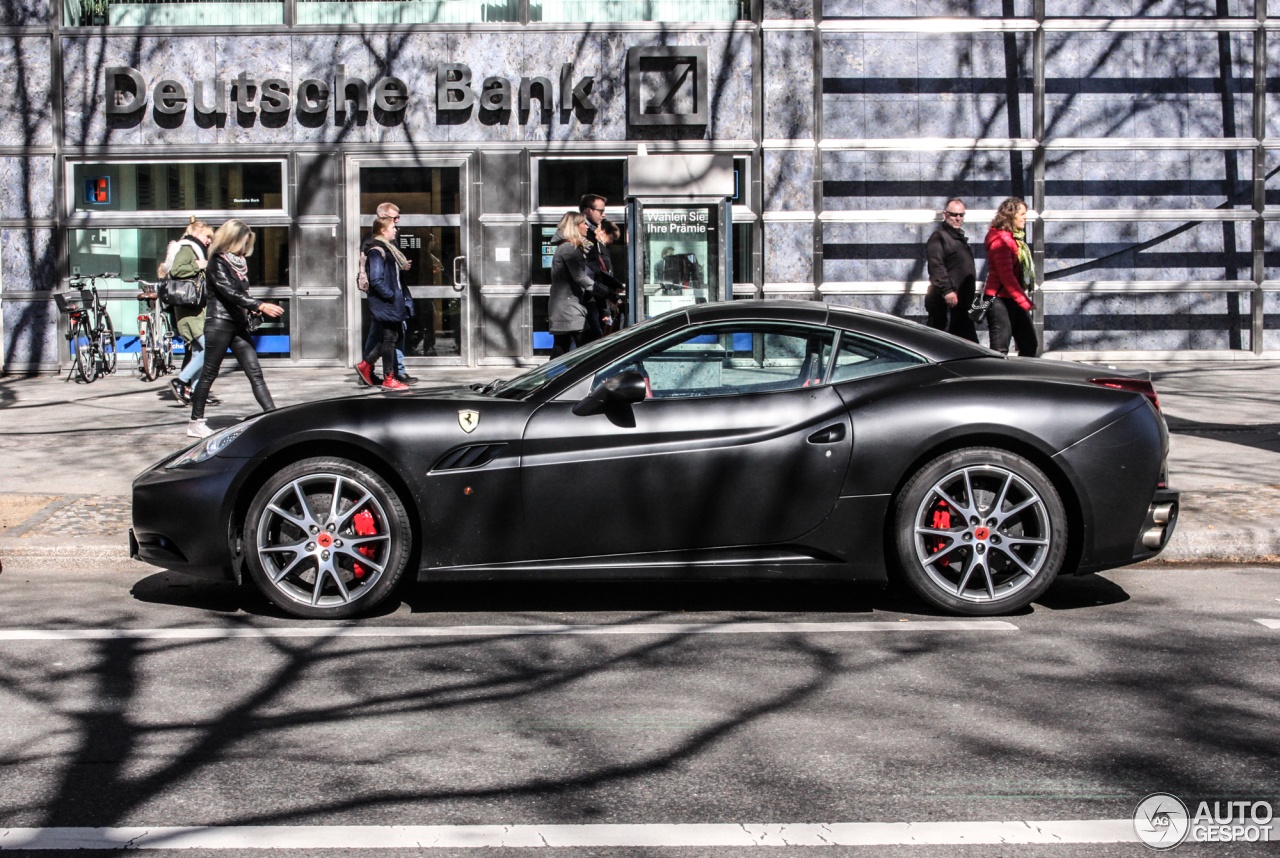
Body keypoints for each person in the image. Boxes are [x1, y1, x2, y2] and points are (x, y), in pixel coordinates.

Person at [188, 220, 285, 438]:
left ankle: (273, 415)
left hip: (238, 324)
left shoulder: (238, 262)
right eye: (243, 243)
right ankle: (196, 421)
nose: (244, 249)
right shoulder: (216, 262)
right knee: (209, 372)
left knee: (255, 372)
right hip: (220, 323)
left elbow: (240, 293)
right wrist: (260, 305)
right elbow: (229, 292)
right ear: (231, 240)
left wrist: (252, 310)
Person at [359, 202, 417, 384]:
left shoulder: (387, 244)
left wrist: (400, 266)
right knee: (389, 337)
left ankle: (368, 369)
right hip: (386, 300)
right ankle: (389, 375)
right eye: (394, 221)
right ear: (383, 221)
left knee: (389, 335)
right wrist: (392, 296)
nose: (397, 225)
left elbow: (388, 269)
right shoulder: (376, 245)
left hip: (392, 297)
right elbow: (376, 278)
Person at [983, 197, 1039, 358]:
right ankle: (996, 382)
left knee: (1029, 344)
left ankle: (1021, 380)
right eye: (1021, 214)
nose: (1025, 217)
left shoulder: (1014, 239)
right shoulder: (1001, 241)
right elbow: (1006, 276)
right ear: (1010, 215)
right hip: (999, 300)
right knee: (999, 350)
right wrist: (1024, 301)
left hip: (1012, 299)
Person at [167, 217, 213, 405]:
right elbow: (176, 271)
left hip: (194, 308)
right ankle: (181, 380)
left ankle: (196, 393)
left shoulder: (194, 249)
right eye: (207, 236)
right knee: (209, 348)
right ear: (196, 233)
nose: (209, 241)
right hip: (190, 310)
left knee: (198, 351)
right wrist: (199, 265)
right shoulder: (187, 248)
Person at [924, 198, 978, 344]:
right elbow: (936, 266)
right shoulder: (939, 237)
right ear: (945, 214)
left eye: (961, 215)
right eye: (954, 214)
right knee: (938, 343)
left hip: (961, 304)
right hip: (945, 302)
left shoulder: (958, 238)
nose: (958, 218)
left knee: (965, 344)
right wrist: (947, 290)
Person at [548, 211, 594, 357]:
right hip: (569, 308)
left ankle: (552, 377)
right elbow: (579, 276)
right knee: (586, 349)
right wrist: (604, 291)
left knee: (561, 347)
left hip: (566, 306)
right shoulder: (569, 248)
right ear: (575, 226)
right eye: (584, 223)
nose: (587, 227)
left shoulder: (571, 247)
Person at [593, 219, 625, 334]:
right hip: (601, 300)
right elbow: (600, 277)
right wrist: (606, 310)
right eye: (611, 238)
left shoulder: (601, 250)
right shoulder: (598, 250)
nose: (611, 242)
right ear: (603, 232)